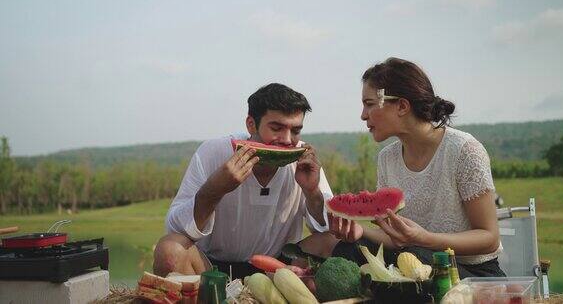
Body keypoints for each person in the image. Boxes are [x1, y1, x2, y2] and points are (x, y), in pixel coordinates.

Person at [328, 57, 505, 278]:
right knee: (349, 249)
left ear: (402, 106)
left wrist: (424, 239)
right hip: (412, 261)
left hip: (470, 272)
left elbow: (489, 238)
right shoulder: (387, 158)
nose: (363, 115)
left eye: (370, 104)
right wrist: (361, 231)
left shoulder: (464, 150)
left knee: (419, 257)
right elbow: (399, 239)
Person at [153, 83, 333, 279]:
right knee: (169, 251)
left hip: (280, 268)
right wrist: (214, 190)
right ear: (251, 124)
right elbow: (175, 230)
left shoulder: (303, 158)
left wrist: (312, 191)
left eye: (296, 130)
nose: (288, 140)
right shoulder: (213, 153)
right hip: (211, 268)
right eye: (276, 128)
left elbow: (324, 229)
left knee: (331, 242)